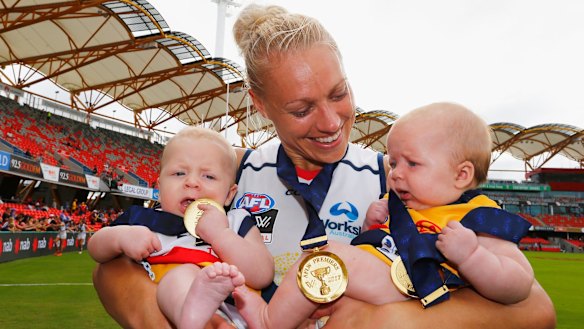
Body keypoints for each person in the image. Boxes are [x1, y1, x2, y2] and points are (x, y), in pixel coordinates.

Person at [92, 4, 556, 329]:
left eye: (339, 93)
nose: (332, 122)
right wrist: (158, 313)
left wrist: (392, 319)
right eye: (301, 109)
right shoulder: (222, 179)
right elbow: (119, 265)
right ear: (260, 104)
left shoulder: (400, 181)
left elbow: (537, 311)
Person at [232, 102, 535, 328]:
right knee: (324, 278)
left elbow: (519, 285)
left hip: (414, 288)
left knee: (323, 257)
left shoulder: (477, 216)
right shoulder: (400, 207)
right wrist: (369, 226)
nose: (396, 173)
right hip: (381, 286)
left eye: (412, 164)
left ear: (461, 174)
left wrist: (471, 257)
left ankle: (267, 320)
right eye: (394, 161)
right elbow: (374, 248)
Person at [88, 127, 273, 329]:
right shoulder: (142, 219)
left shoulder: (236, 221)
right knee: (179, 278)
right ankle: (192, 316)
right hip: (171, 309)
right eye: (179, 173)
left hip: (234, 315)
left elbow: (263, 274)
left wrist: (222, 235)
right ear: (159, 188)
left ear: (230, 194)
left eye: (208, 176)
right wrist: (119, 238)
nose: (191, 182)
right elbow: (96, 249)